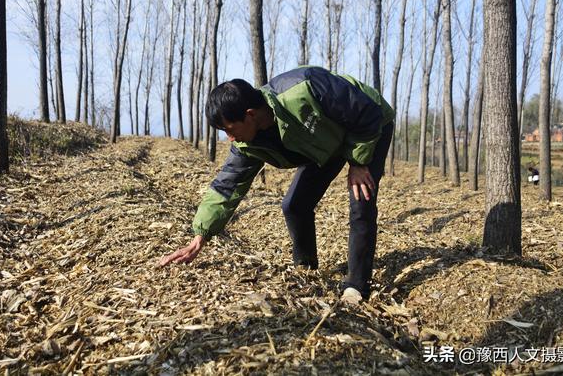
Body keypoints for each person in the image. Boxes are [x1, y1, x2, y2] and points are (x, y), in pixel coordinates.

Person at [160, 66, 395, 303]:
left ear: (250, 114)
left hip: (369, 126)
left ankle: (356, 285)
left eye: (230, 130)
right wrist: (201, 235)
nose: (229, 139)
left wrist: (358, 162)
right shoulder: (248, 143)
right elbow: (227, 185)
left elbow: (367, 112)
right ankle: (306, 271)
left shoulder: (304, 88)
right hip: (323, 144)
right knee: (294, 205)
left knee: (361, 200)